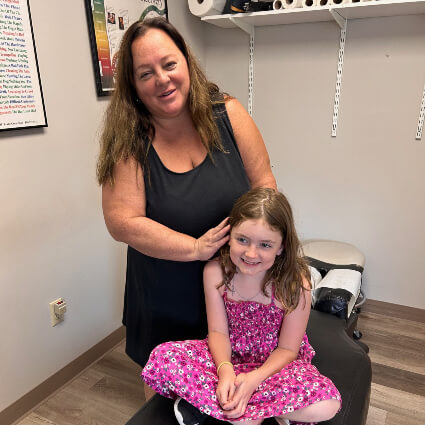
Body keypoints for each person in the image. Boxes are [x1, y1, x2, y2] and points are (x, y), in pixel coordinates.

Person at [96, 17, 276, 400]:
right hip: (165, 292)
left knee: (233, 389)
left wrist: (267, 254)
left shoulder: (229, 115)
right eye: (146, 73)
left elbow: (265, 186)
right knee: (165, 395)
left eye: (169, 64)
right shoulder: (129, 142)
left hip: (236, 283)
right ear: (133, 86)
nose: (161, 79)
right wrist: (196, 248)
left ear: (187, 63)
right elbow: (122, 222)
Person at [142, 188, 341, 425]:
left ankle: (218, 406)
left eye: (265, 245)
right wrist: (225, 371)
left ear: (282, 246)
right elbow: (218, 332)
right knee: (162, 357)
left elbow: (288, 349)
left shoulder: (297, 284)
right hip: (225, 356)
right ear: (229, 236)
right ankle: (252, 407)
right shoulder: (215, 273)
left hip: (274, 366)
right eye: (242, 240)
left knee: (328, 404)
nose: (251, 253)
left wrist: (254, 379)